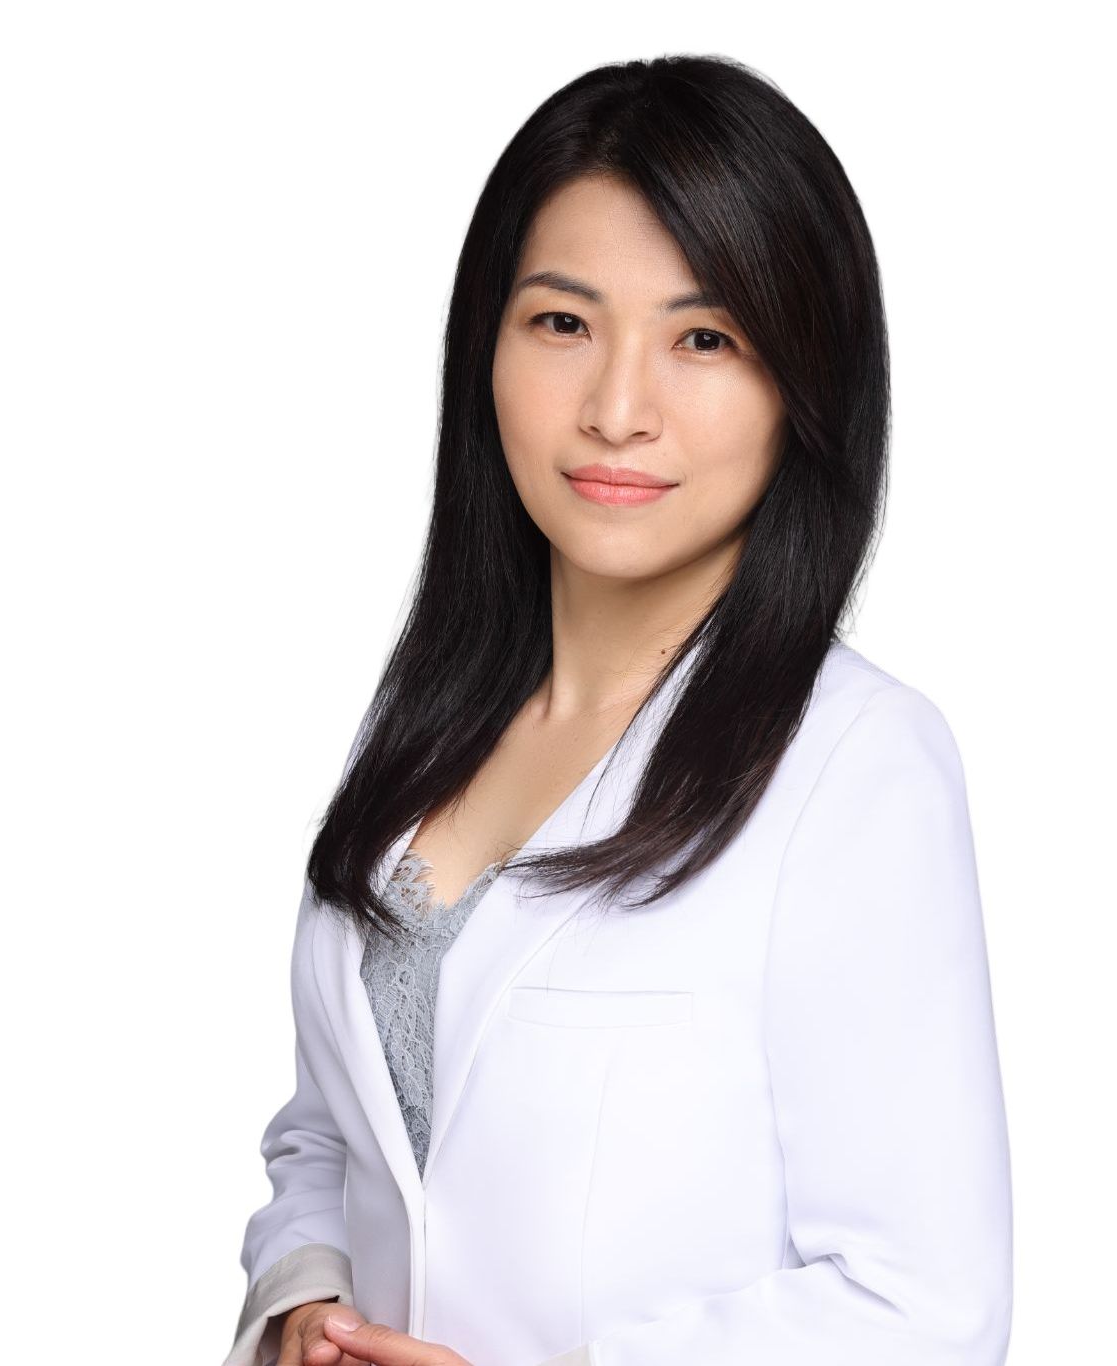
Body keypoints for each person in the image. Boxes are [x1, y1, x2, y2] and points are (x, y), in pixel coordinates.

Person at [220, 53, 1012, 1366]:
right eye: (562, 323)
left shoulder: (858, 766)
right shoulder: (425, 715)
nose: (616, 410)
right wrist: (307, 1304)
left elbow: (920, 1308)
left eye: (703, 339)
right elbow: (337, 1132)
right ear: (485, 347)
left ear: (802, 383)